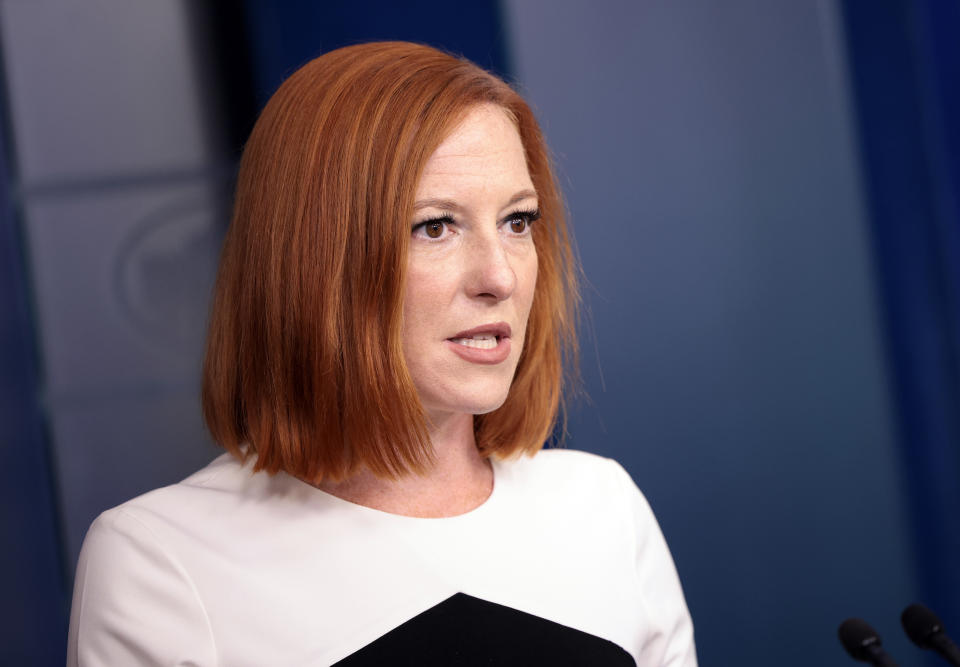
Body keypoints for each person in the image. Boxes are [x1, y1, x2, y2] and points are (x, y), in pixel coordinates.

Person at [67, 41, 697, 666]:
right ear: (314, 262)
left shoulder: (603, 510)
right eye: (435, 226)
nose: (500, 277)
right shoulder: (164, 564)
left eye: (517, 220)